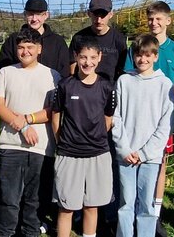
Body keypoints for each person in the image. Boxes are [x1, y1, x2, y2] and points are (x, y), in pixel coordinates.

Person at [0, 0, 69, 233]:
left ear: (40, 49)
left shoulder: (52, 74)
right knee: (9, 197)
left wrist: (27, 120)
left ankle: (30, 229)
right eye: (21, 47)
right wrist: (17, 122)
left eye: (30, 47)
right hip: (11, 142)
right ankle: (6, 231)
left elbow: (53, 109)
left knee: (34, 198)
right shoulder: (7, 71)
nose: (25, 51)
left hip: (41, 145)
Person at [123, 1, 174, 235]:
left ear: (169, 21)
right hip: (134, 119)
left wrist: (161, 107)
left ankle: (155, 213)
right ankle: (129, 214)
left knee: (159, 162)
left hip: (160, 118)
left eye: (159, 19)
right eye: (151, 19)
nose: (155, 23)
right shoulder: (138, 47)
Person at [52, 36, 117, 237]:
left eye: (92, 57)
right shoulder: (65, 85)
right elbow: (56, 116)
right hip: (69, 154)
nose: (87, 62)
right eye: (83, 57)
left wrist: (94, 137)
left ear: (99, 57)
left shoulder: (106, 87)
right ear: (76, 57)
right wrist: (61, 141)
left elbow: (108, 117)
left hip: (98, 154)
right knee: (66, 208)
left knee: (92, 206)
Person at [112, 34, 174, 237]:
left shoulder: (164, 84)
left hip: (150, 157)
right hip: (126, 155)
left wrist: (145, 153)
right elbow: (116, 117)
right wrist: (124, 149)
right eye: (139, 55)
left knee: (146, 204)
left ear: (155, 56)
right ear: (133, 56)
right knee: (126, 203)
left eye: (148, 55)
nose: (143, 60)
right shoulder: (124, 80)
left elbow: (166, 125)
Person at [0, 0, 70, 77]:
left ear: (46, 15)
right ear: (25, 14)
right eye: (31, 14)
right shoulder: (13, 40)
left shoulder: (58, 41)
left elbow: (65, 71)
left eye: (38, 14)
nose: (34, 19)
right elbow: (4, 69)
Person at [69, 0, 127, 83]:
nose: (99, 20)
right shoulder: (79, 37)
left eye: (103, 15)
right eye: (96, 14)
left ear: (111, 14)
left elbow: (123, 68)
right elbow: (72, 64)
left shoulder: (119, 39)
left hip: (109, 89)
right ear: (89, 14)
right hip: (83, 87)